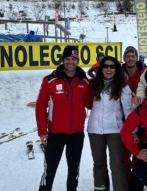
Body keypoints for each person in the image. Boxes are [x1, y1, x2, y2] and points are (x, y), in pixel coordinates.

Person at [35, 45, 92, 191]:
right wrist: (42, 132)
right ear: (63, 60)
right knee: (49, 171)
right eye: (67, 58)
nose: (71, 62)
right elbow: (41, 106)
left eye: (74, 59)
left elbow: (90, 104)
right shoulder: (50, 80)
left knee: (74, 172)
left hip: (76, 135)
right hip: (56, 134)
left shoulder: (85, 82)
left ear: (78, 60)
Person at [87, 56, 132, 191]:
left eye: (112, 66)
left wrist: (132, 131)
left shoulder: (123, 87)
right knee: (99, 164)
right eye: (105, 66)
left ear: (116, 69)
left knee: (116, 165)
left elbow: (128, 111)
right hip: (95, 130)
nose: (108, 69)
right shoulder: (93, 85)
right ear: (100, 69)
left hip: (115, 130)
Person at [121, 46, 147, 188]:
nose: (130, 58)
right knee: (124, 156)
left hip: (141, 118)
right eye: (127, 56)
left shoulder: (144, 71)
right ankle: (127, 183)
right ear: (124, 58)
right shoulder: (118, 72)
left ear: (136, 58)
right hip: (123, 118)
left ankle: (137, 184)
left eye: (132, 56)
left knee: (139, 154)